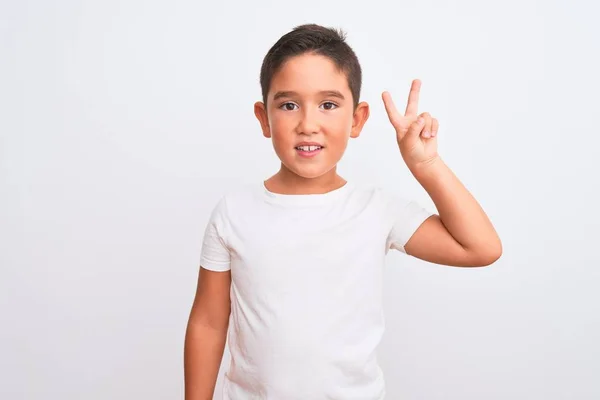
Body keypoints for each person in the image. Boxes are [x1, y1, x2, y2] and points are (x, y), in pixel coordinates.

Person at [184, 23, 502, 400]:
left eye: (329, 105)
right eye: (288, 105)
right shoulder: (233, 212)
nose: (308, 124)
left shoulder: (377, 210)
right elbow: (208, 322)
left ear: (357, 119)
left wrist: (426, 165)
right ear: (264, 118)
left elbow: (481, 248)